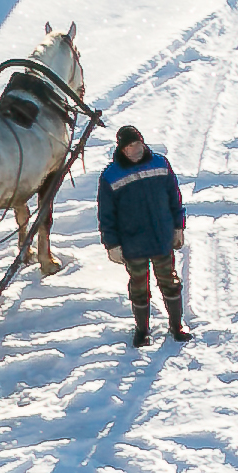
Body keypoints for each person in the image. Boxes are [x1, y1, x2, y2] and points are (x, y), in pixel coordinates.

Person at [95, 124, 191, 344]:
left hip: (161, 238)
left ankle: (177, 326)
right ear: (122, 149)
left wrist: (178, 227)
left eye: (138, 143)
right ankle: (142, 330)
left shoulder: (160, 163)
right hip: (132, 243)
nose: (135, 149)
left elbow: (174, 197)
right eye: (130, 146)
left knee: (169, 281)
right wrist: (112, 244)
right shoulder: (110, 176)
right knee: (139, 286)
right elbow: (106, 214)